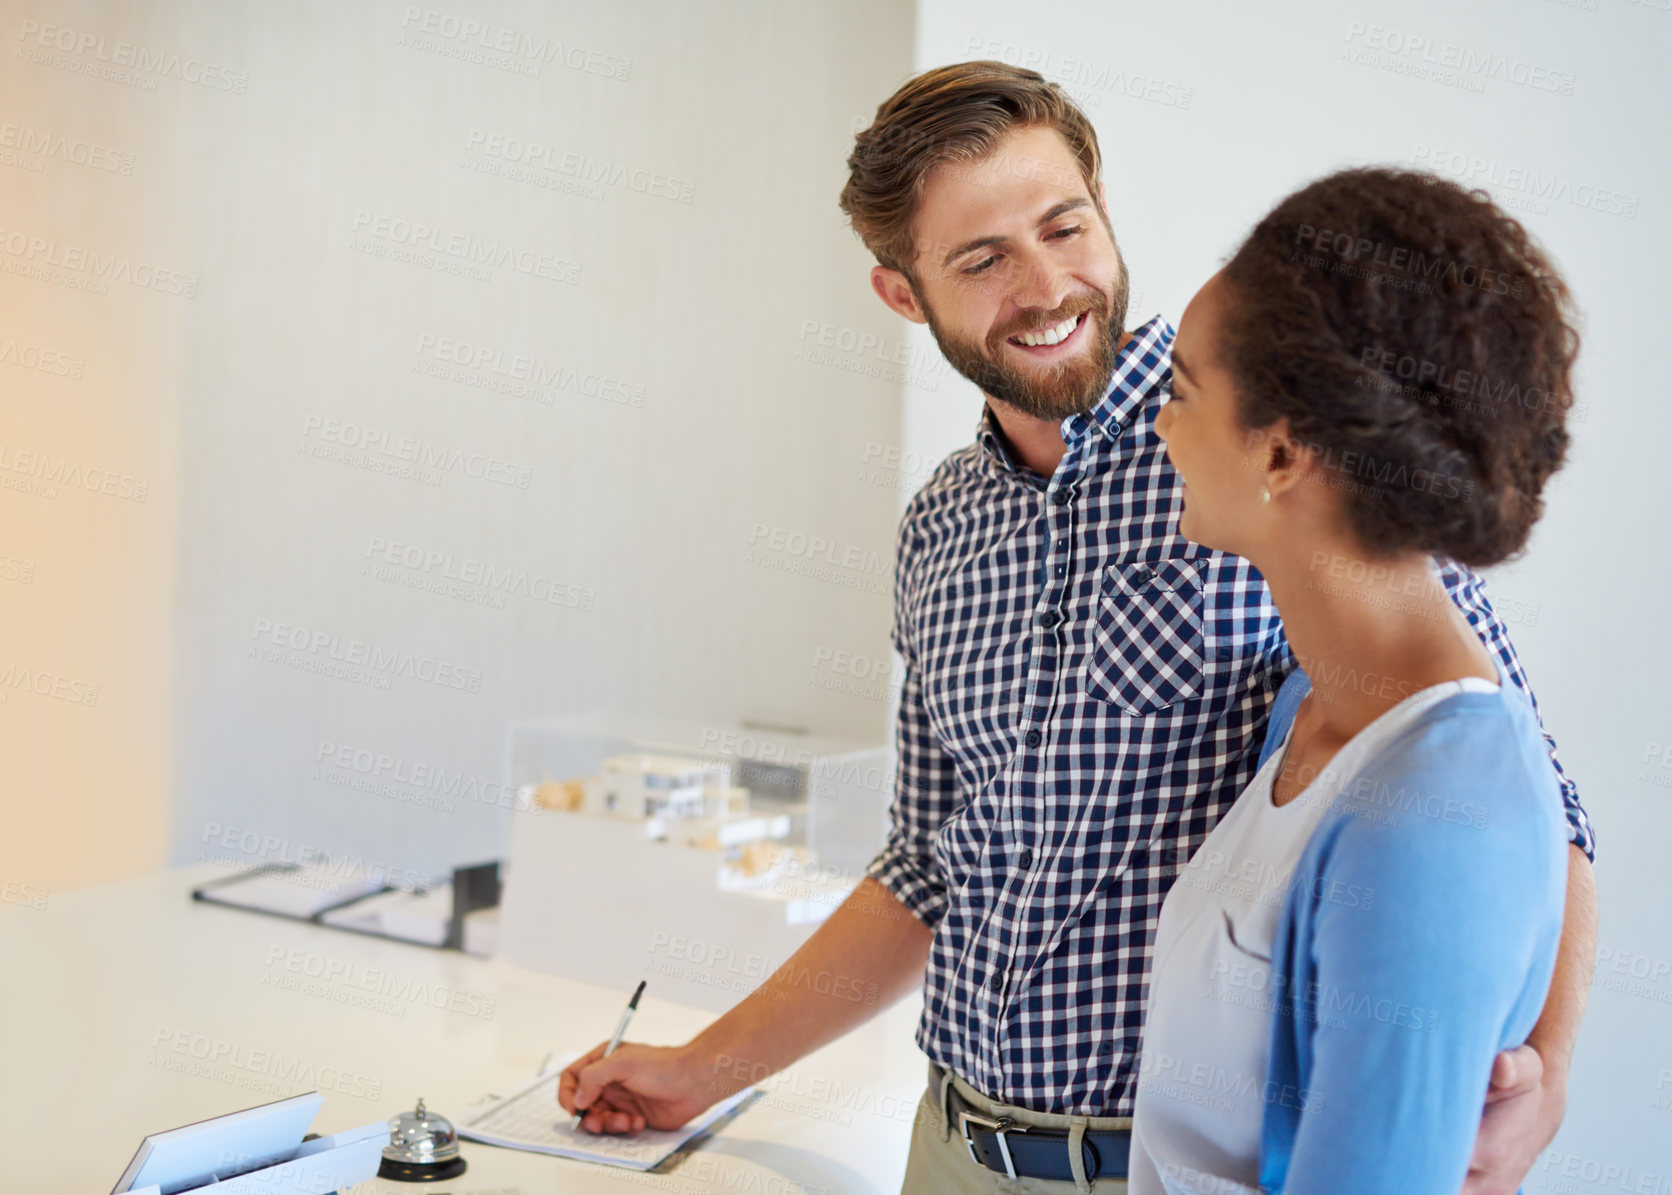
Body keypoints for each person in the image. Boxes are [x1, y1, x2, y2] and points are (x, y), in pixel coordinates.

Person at [557, 62, 1598, 1195]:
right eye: (981, 259)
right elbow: (924, 866)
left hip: (1168, 1166)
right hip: (951, 1146)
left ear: (1102, 203)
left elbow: (1510, 784)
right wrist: (703, 1068)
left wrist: (1539, 1067)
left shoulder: (1277, 450)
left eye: (1064, 225)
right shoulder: (940, 531)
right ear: (904, 294)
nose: (1048, 285)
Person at [1127, 166, 1580, 1194]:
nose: (1160, 427)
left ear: (1282, 453)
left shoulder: (1438, 813)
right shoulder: (1313, 706)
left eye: (1183, 395)